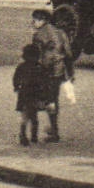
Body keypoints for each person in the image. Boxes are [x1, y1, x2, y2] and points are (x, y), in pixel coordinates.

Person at [31, 9, 74, 142]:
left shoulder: (39, 35)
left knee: (45, 100)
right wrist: (70, 73)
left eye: (35, 19)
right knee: (54, 98)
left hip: (46, 71)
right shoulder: (61, 33)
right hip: (60, 70)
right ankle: (53, 128)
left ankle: (53, 131)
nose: (33, 22)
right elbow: (68, 54)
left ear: (42, 20)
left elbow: (35, 56)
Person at [13, 43, 46, 146]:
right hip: (35, 94)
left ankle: (23, 135)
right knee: (33, 117)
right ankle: (33, 136)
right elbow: (44, 81)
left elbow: (16, 78)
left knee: (25, 117)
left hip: (24, 94)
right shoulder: (39, 67)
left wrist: (16, 86)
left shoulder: (22, 66)